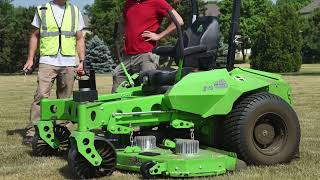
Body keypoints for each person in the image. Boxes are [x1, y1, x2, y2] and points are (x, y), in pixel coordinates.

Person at [22, 0, 86, 145]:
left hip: (69, 61)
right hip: (47, 61)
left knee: (65, 99)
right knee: (41, 96)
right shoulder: (42, 10)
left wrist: (81, 61)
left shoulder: (75, 11)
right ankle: (33, 131)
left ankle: (62, 130)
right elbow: (34, 35)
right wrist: (30, 58)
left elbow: (80, 38)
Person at [111, 0, 184, 92]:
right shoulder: (129, 3)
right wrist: (123, 34)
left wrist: (159, 36)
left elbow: (179, 21)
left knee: (149, 89)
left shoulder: (158, 2)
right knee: (117, 76)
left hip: (146, 55)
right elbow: (123, 22)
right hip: (127, 56)